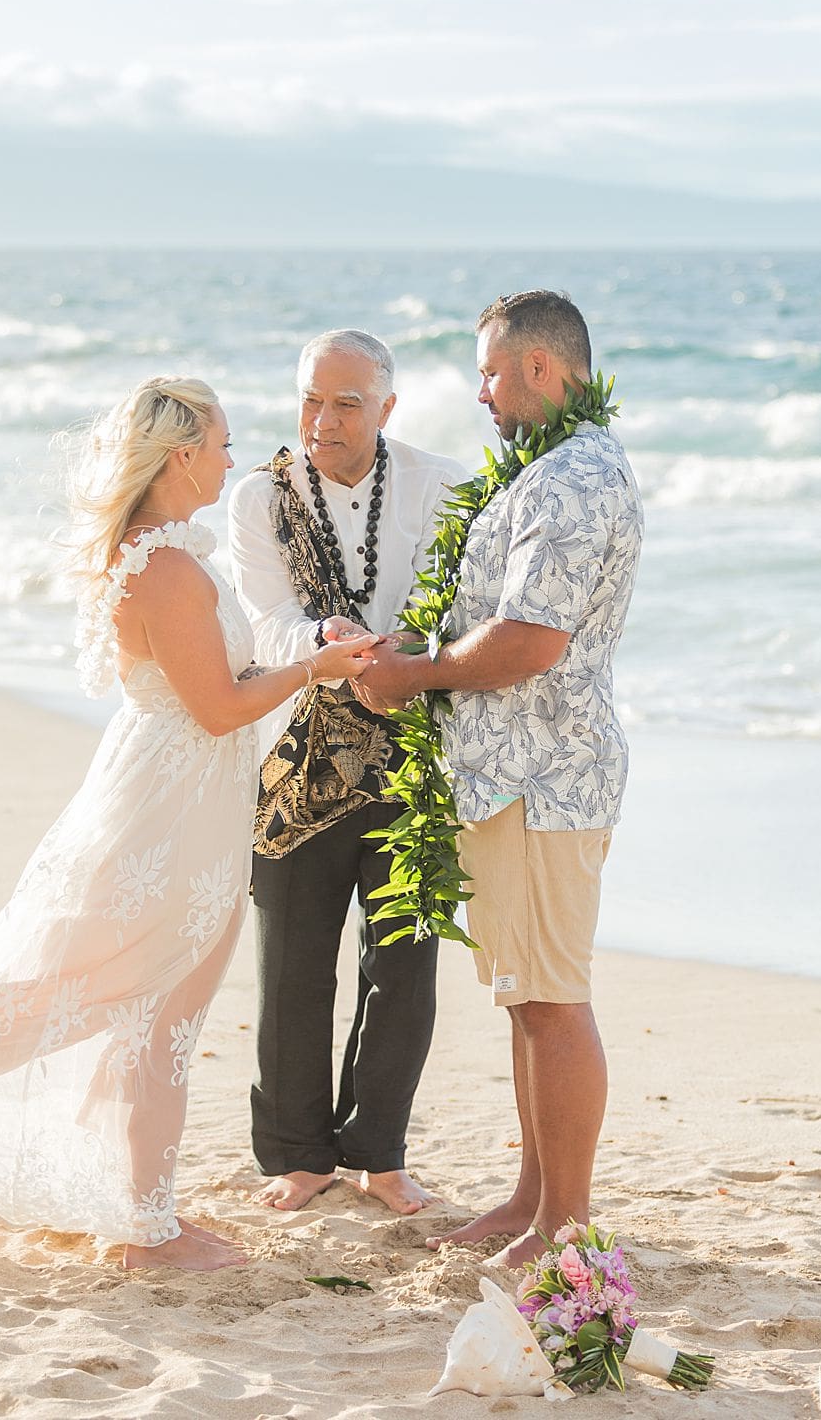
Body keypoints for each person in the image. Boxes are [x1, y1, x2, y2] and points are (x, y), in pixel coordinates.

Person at [0, 376, 377, 1272]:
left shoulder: (166, 552)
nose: (231, 457)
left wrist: (305, 647)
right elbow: (219, 708)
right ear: (181, 457)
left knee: (153, 1004)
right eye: (220, 443)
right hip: (173, 803)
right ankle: (145, 1228)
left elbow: (220, 674)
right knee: (160, 1007)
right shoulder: (169, 569)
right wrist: (318, 670)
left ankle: (136, 1205)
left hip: (180, 790)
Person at [352, 291, 643, 1267]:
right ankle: (531, 1198)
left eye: (488, 371)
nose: (478, 392)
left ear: (540, 370)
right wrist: (414, 648)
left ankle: (567, 1222)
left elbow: (528, 642)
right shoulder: (547, 469)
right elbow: (498, 618)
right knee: (526, 995)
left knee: (554, 999)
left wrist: (416, 676)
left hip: (546, 775)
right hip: (511, 772)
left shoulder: (574, 478)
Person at [227, 330, 465, 1217]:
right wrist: (334, 649)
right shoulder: (261, 498)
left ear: (387, 409)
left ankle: (378, 1153)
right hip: (297, 751)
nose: (323, 421)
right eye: (310, 400)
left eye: (347, 404)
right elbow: (267, 621)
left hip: (410, 750)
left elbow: (459, 607)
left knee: (403, 961)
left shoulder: (441, 487)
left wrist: (406, 652)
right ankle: (298, 1156)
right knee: (293, 964)